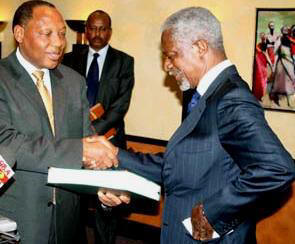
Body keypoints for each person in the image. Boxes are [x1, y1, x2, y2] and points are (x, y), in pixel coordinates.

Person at [97, 7, 295, 243]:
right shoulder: (203, 95)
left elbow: (278, 168)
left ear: (201, 47)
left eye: (171, 55)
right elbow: (179, 163)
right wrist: (117, 154)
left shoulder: (231, 98)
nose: (167, 66)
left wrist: (212, 213)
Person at [0, 1, 127, 244]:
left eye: (61, 34)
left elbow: (86, 142)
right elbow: (8, 143)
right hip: (19, 223)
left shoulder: (73, 82)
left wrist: (105, 186)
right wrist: (81, 150)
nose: (58, 43)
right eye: (46, 34)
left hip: (68, 224)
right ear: (19, 33)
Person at [62, 10, 134, 244]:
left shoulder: (124, 61)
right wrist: (83, 135)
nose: (97, 34)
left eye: (102, 29)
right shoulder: (70, 59)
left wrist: (92, 133)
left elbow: (120, 106)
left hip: (110, 142)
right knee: (76, 204)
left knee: (107, 204)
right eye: (92, 28)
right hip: (77, 143)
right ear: (86, 31)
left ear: (110, 32)